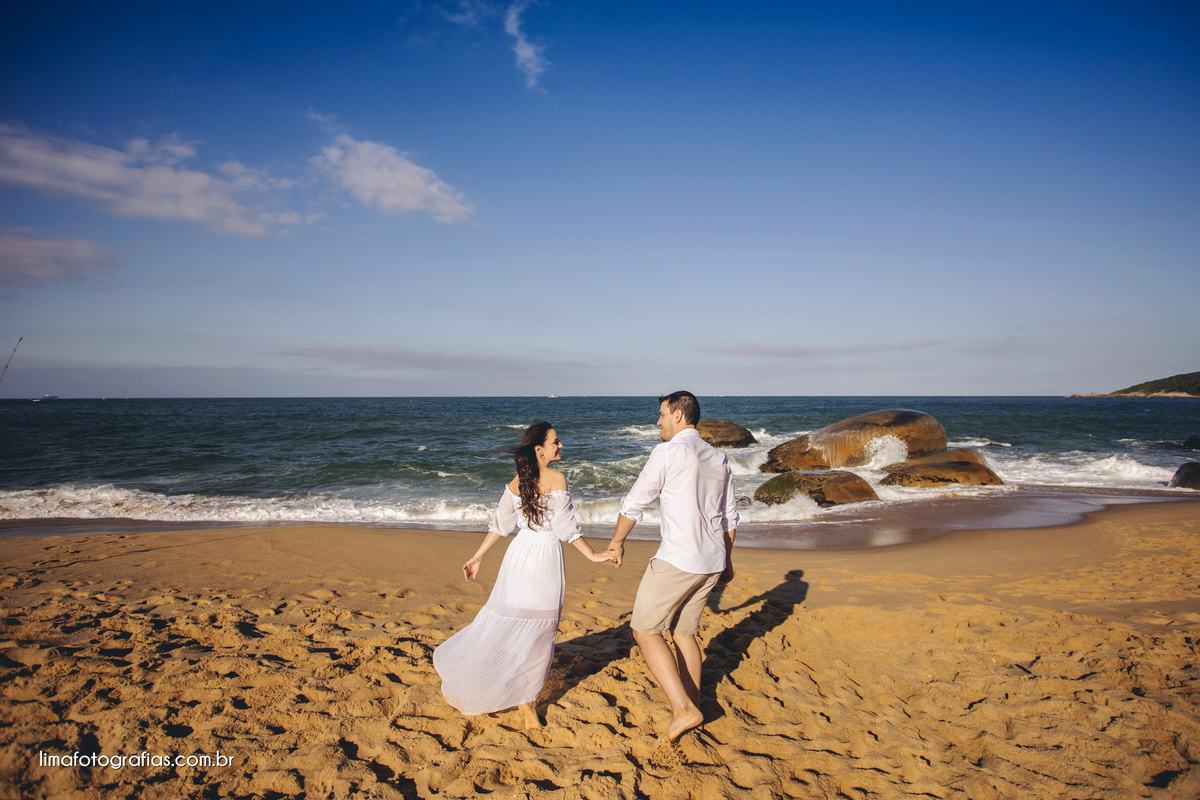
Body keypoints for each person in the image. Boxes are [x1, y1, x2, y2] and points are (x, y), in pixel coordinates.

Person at [433, 421, 612, 729]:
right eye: (556, 442)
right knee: (542, 630)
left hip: (519, 555)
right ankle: (526, 704)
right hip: (543, 558)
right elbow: (566, 529)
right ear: (539, 449)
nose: (561, 446)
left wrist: (478, 557)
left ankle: (518, 693)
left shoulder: (518, 481)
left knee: (520, 621)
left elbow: (500, 526)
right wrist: (593, 555)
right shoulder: (557, 479)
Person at [605, 391, 739, 745]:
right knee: (683, 633)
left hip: (680, 559)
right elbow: (729, 518)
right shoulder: (718, 457)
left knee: (645, 630)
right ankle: (693, 705)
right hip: (711, 560)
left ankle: (683, 709)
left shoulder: (667, 452)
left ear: (679, 415)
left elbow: (635, 502)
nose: (658, 421)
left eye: (662, 414)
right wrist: (726, 560)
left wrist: (617, 541)